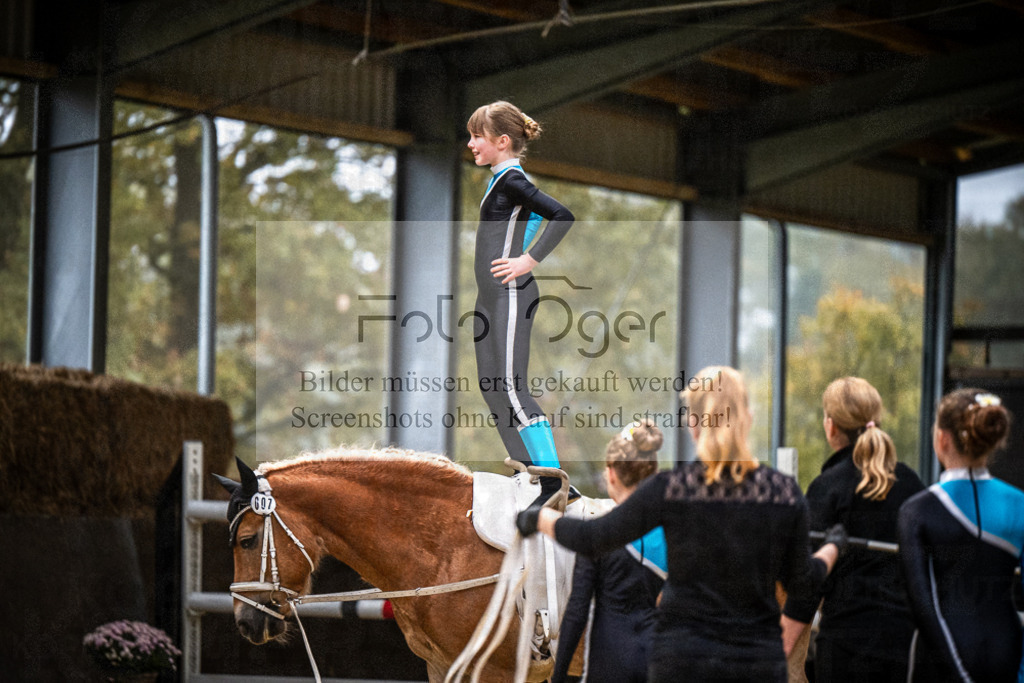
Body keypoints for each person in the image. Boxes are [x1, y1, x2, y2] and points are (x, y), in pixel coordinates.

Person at [519, 366, 846, 683]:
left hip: (683, 660)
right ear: (748, 418)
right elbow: (803, 582)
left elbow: (593, 538)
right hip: (755, 663)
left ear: (693, 423)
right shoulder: (784, 493)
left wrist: (540, 517)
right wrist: (832, 548)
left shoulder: (672, 488)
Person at [466, 100, 575, 507]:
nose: (471, 144)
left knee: (512, 385)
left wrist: (528, 260)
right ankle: (527, 473)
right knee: (491, 386)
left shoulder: (513, 179)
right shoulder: (498, 181)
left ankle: (552, 481)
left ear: (502, 141)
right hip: (490, 297)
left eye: (477, 136)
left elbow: (562, 215)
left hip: (512, 294)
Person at [783, 377, 925, 682]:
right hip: (906, 649)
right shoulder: (912, 484)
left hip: (846, 650)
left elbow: (807, 585)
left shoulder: (827, 488)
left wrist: (777, 649)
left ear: (831, 427)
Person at [898, 388, 1024, 682]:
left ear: (942, 439)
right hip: (1006, 651)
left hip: (942, 660)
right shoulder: (1019, 504)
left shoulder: (917, 511)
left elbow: (923, 608)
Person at [551, 419, 668, 683]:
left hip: (608, 665)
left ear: (612, 474)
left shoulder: (598, 535)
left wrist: (558, 677)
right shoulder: (671, 534)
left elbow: (576, 613)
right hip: (658, 662)